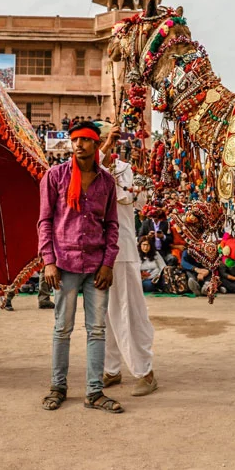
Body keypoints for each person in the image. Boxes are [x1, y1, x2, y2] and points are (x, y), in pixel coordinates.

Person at [38, 121, 123, 413]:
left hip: (97, 265)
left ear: (96, 145)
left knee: (96, 330)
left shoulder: (107, 182)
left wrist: (108, 263)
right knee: (62, 329)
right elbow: (44, 222)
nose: (79, 145)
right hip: (64, 264)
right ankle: (57, 387)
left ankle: (94, 392)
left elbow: (112, 225)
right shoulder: (54, 177)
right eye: (75, 139)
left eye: (85, 140)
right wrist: (49, 261)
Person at [99, 125, 158, 397]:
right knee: (103, 316)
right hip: (95, 254)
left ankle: (144, 371)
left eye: (94, 142)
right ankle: (111, 369)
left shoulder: (124, 170)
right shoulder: (85, 169)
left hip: (121, 252)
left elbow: (136, 199)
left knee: (127, 311)